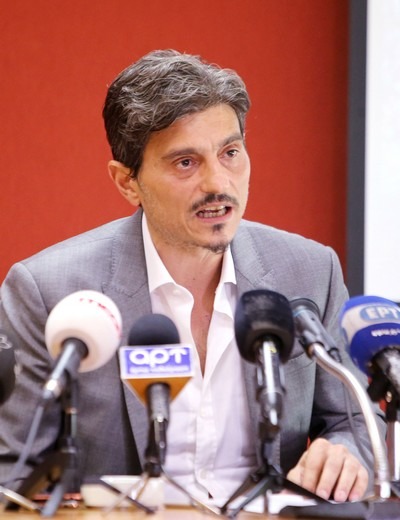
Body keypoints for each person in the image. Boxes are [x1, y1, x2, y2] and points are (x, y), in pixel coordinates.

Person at [0, 49, 385, 507]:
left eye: (230, 153)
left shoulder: (308, 270)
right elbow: (12, 470)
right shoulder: (50, 291)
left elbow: (355, 423)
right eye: (186, 162)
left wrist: (344, 452)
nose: (218, 184)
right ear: (127, 182)